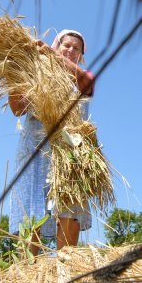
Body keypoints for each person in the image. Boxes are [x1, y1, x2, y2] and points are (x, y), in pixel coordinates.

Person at [8, 29, 96, 255]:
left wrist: (48, 53)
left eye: (77, 48)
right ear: (57, 46)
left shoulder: (81, 78)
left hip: (70, 149)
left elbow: (88, 82)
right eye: (66, 45)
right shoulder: (36, 76)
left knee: (69, 205)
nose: (71, 50)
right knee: (32, 205)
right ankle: (28, 270)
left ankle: (66, 267)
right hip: (36, 149)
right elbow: (18, 108)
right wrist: (13, 72)